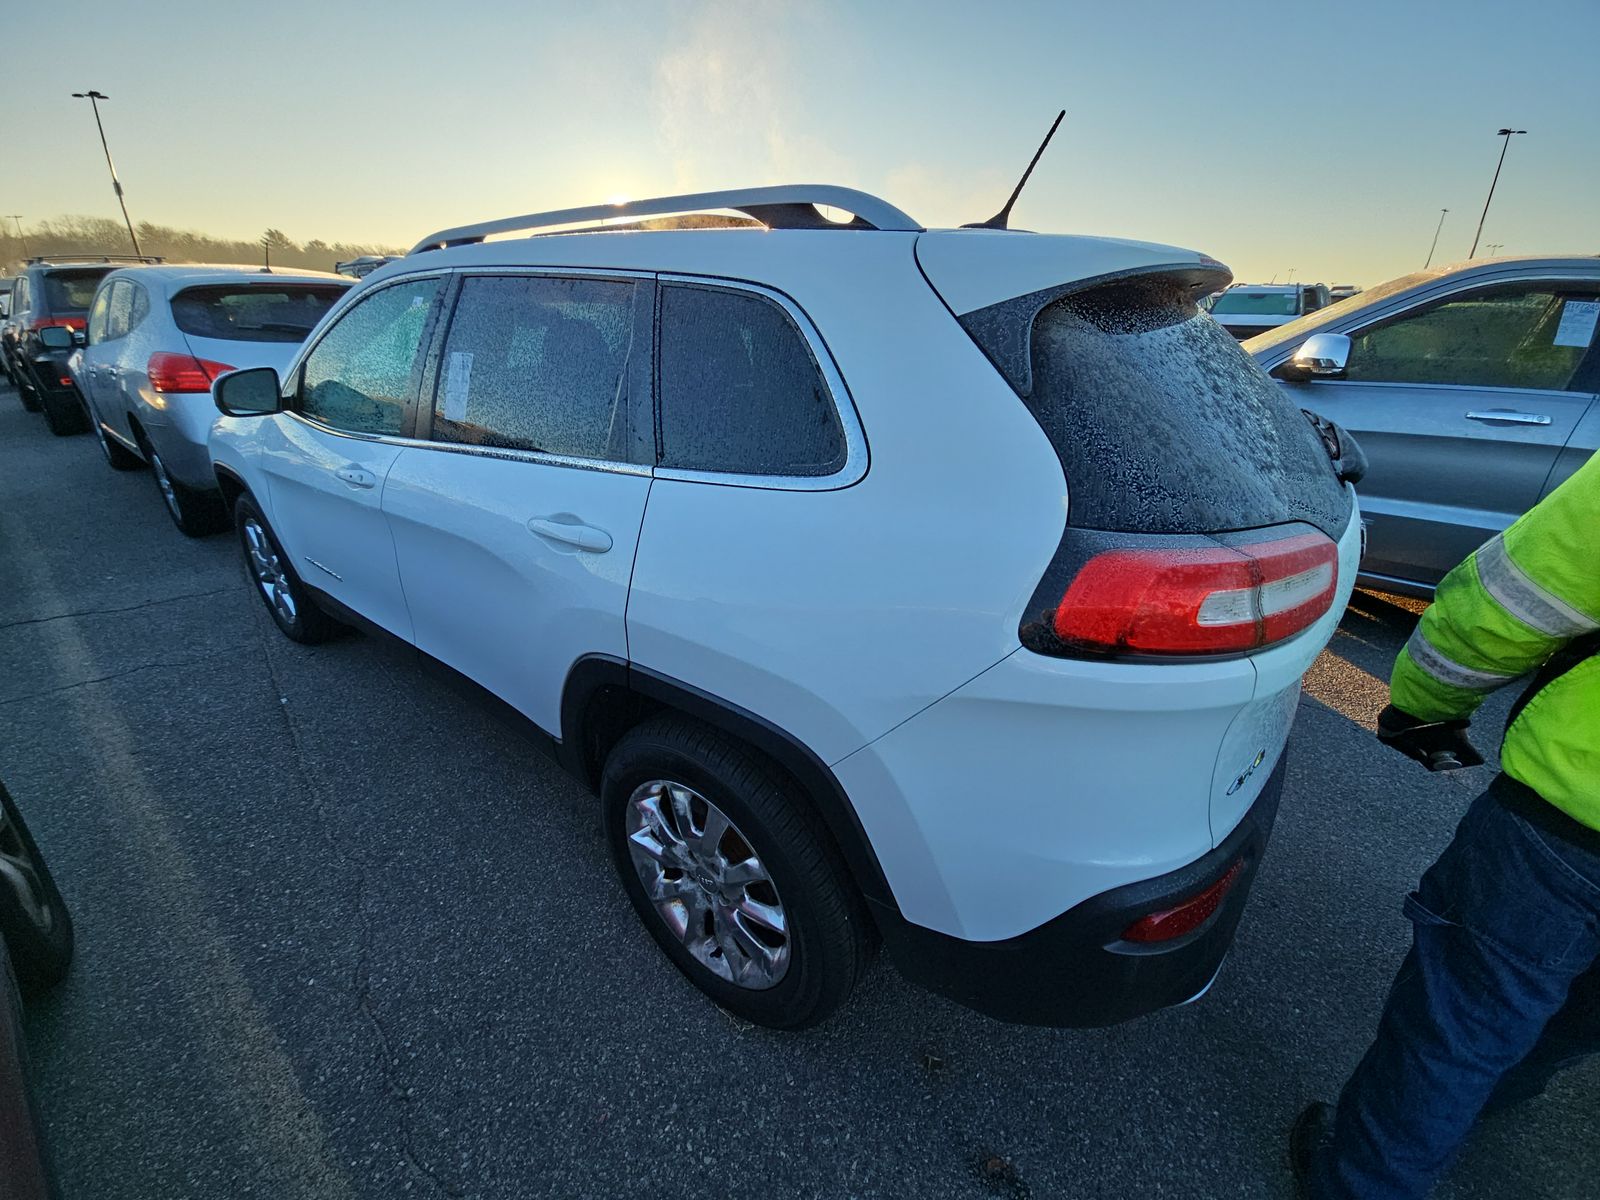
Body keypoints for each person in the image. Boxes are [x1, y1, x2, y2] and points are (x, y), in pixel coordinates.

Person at [1291, 449, 1599, 1199]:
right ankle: (1490, 1099)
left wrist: (1423, 712)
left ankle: (1364, 1183)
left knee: (1461, 1026)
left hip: (1568, 818)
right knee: (1580, 1011)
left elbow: (1506, 606)